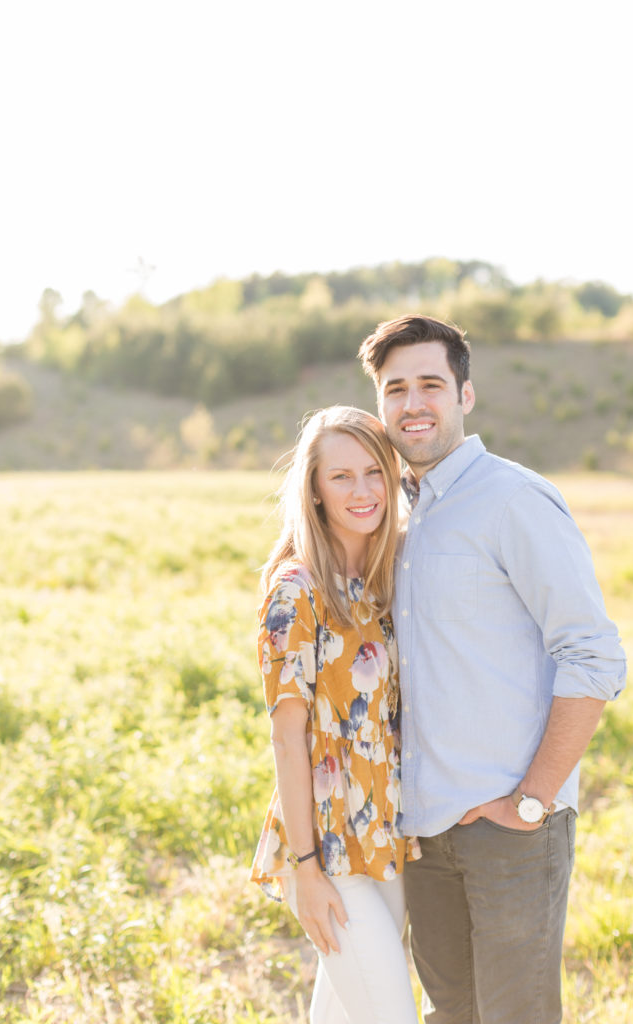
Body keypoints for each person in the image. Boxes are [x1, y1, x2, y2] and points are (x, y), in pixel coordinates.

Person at [358, 315, 627, 1024]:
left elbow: (592, 654)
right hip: (420, 828)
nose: (412, 403)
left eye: (430, 385)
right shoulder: (398, 516)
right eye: (395, 389)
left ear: (465, 395)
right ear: (379, 405)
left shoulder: (511, 499)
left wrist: (530, 802)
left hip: (508, 825)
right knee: (450, 1012)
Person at [250, 405, 421, 1024]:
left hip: (387, 831)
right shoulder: (296, 591)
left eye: (374, 472)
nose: (362, 491)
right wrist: (306, 872)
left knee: (346, 1012)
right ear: (315, 490)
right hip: (327, 846)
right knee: (391, 1014)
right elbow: (288, 743)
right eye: (341, 477)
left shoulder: (387, 579)